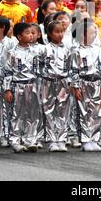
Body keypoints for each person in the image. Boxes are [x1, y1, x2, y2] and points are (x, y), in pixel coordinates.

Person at [4, 23, 40, 153]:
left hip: (32, 85)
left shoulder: (35, 51)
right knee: (17, 114)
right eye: (27, 33)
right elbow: (8, 71)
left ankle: (30, 139)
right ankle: (15, 139)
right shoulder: (12, 53)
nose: (31, 35)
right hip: (18, 85)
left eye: (32, 33)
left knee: (32, 113)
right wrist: (7, 89)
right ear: (19, 36)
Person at [70, 19, 101, 152]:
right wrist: (76, 86)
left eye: (95, 33)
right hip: (83, 82)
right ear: (82, 35)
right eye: (91, 33)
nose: (94, 35)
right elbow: (73, 70)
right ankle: (85, 139)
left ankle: (94, 138)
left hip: (95, 83)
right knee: (83, 111)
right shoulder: (76, 51)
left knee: (95, 112)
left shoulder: (97, 49)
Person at [38, 21, 71, 152]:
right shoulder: (44, 49)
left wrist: (70, 81)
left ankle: (62, 139)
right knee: (49, 110)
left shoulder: (67, 49)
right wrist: (44, 76)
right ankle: (52, 139)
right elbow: (38, 66)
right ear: (50, 34)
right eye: (57, 32)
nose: (60, 34)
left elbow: (71, 66)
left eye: (62, 31)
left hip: (63, 82)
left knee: (63, 110)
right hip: (48, 82)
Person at [0, 16, 15, 147]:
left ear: (3, 28)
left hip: (7, 79)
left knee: (8, 108)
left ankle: (7, 134)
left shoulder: (11, 43)